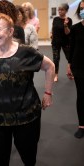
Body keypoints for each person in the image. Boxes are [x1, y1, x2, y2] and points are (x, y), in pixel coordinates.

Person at [0, 13, 55, 166]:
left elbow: (50, 66)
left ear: (11, 31)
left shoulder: (26, 52)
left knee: (28, 158)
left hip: (26, 117)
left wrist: (48, 93)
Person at [67, 0, 84, 139]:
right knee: (82, 96)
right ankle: (82, 125)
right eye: (82, 8)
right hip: (78, 67)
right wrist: (69, 65)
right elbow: (71, 48)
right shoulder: (76, 28)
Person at [51, 3, 72, 82]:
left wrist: (65, 25)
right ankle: (55, 75)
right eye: (59, 9)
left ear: (66, 11)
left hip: (65, 42)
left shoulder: (69, 20)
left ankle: (71, 72)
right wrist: (51, 35)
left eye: (62, 10)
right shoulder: (55, 19)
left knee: (69, 58)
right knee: (56, 59)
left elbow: (67, 33)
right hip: (55, 42)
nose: (59, 11)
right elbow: (53, 28)